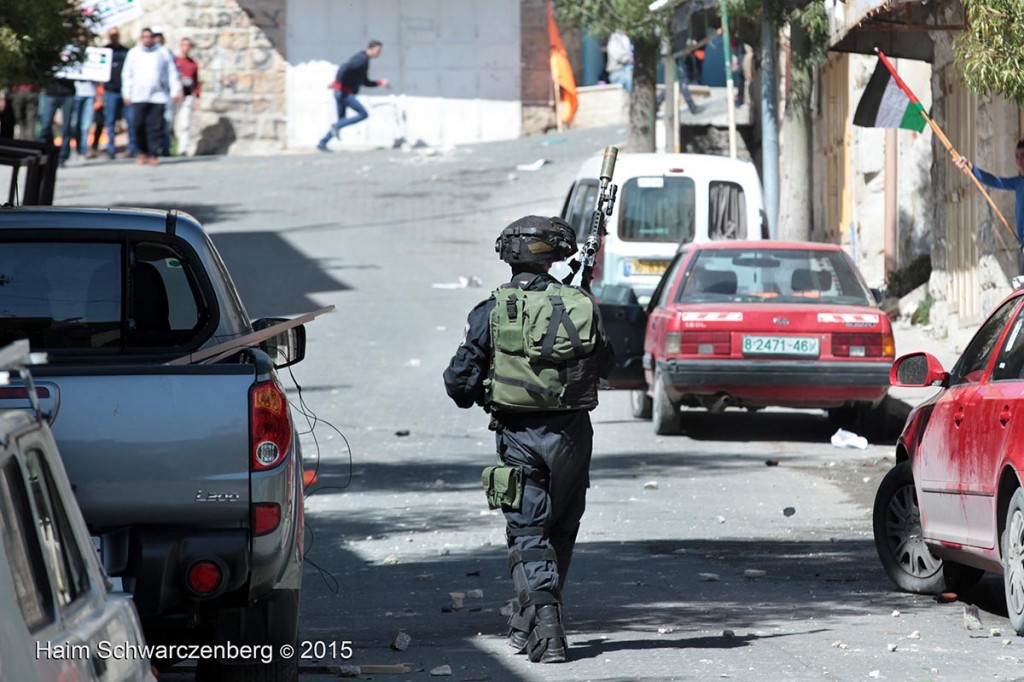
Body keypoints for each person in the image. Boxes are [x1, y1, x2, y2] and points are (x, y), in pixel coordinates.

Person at [443, 216, 613, 664]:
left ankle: (550, 631)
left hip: (518, 435)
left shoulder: (488, 311)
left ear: (507, 254)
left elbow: (458, 385)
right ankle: (527, 624)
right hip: (573, 435)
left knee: (528, 532)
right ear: (556, 253)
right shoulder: (579, 304)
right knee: (560, 529)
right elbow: (608, 365)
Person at [956, 141, 1024, 274]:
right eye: (1017, 156)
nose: (1019, 160)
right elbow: (994, 181)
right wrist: (970, 167)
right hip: (1021, 248)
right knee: (1021, 291)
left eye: (1023, 155)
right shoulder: (1018, 182)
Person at [122, 27, 182, 166]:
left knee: (155, 127)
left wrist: (174, 91)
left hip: (158, 96)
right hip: (138, 96)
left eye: (150, 36)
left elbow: (171, 73)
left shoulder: (162, 52)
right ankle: (142, 152)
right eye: (144, 37)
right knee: (138, 125)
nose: (147, 39)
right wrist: (127, 93)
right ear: (141, 38)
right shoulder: (134, 53)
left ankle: (153, 153)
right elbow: (127, 75)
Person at [316, 40, 390, 151]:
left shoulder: (364, 60)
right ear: (371, 49)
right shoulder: (361, 59)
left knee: (341, 121)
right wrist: (337, 82)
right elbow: (344, 68)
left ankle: (322, 143)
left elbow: (365, 82)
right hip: (343, 92)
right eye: (378, 51)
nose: (379, 54)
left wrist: (379, 83)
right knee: (363, 114)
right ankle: (327, 138)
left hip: (341, 91)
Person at [102, 27, 137, 159]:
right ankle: (111, 148)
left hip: (125, 92)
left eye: (116, 34)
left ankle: (132, 147)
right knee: (110, 121)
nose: (114, 37)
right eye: (112, 35)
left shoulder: (126, 52)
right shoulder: (104, 51)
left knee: (130, 121)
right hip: (110, 91)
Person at [173, 37, 201, 156]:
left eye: (188, 45)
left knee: (185, 123)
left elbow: (195, 81)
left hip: (188, 94)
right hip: (175, 94)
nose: (186, 47)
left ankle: (182, 148)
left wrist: (197, 96)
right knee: (171, 121)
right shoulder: (175, 61)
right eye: (184, 45)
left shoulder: (193, 63)